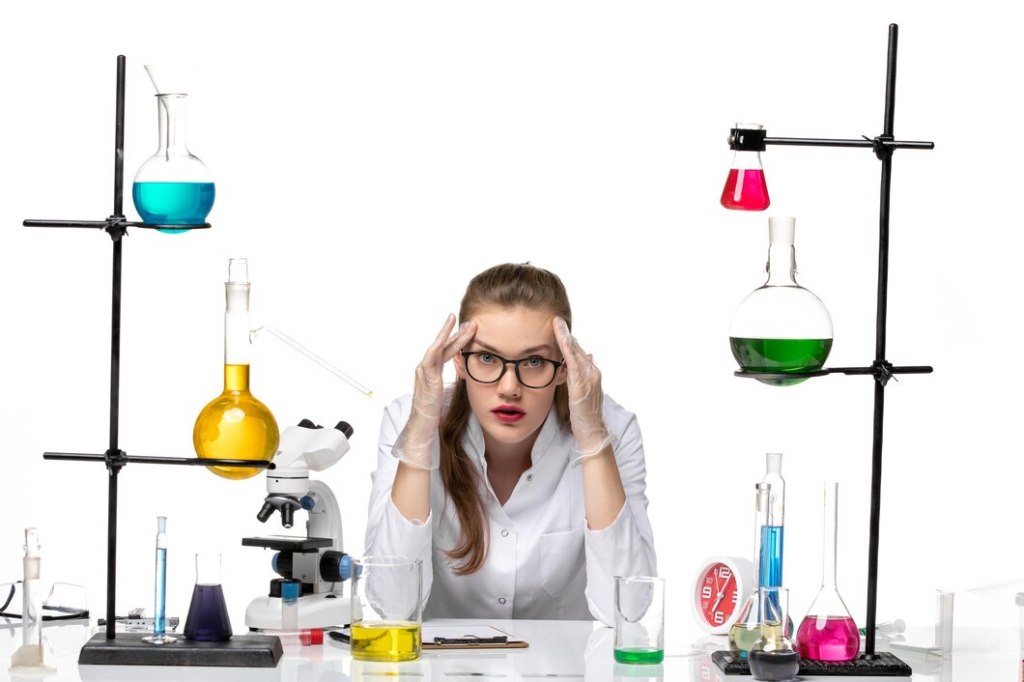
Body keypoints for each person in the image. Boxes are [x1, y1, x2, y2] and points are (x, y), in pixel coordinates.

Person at [365, 263, 656, 625]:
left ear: (565, 367)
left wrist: (594, 438)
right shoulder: (409, 422)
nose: (508, 387)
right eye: (487, 358)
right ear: (458, 359)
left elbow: (626, 609)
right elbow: (393, 605)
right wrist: (420, 439)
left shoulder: (614, 428)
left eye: (534, 361)